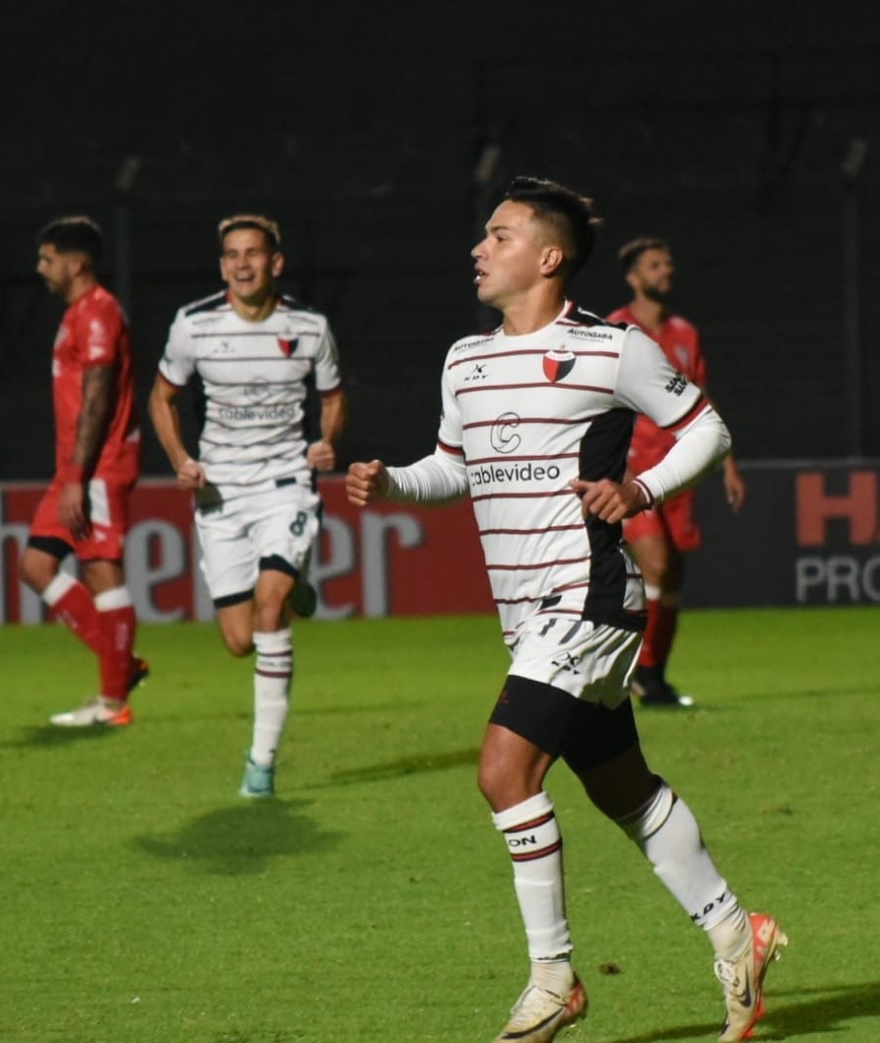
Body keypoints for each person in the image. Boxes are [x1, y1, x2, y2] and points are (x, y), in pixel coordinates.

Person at [346, 177, 784, 1043]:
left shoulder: (611, 349)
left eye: (498, 235)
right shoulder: (463, 359)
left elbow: (707, 428)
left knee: (503, 774)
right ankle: (739, 931)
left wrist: (641, 488)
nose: (479, 248)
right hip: (526, 612)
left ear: (548, 257)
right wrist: (393, 480)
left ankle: (553, 978)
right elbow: (453, 468)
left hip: (586, 596)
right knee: (621, 787)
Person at [148, 214, 346, 799]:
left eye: (253, 254)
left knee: (269, 607)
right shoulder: (194, 325)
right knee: (239, 640)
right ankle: (296, 579)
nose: (242, 264)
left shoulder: (309, 326)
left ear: (275, 262)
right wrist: (181, 458)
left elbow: (333, 397)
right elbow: (163, 398)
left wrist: (327, 441)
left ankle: (261, 764)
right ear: (221, 266)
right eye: (232, 255)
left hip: (284, 482)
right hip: (219, 493)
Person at [607, 237, 746, 708]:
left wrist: (727, 464)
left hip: (680, 471)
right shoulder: (614, 331)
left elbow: (700, 399)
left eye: (668, 263)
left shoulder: (686, 333)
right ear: (634, 278)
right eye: (655, 265)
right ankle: (627, 670)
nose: (667, 271)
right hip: (633, 474)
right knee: (657, 565)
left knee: (673, 577)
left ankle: (654, 677)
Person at [21, 216, 149, 728]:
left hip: (96, 465)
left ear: (76, 264)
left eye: (47, 258)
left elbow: (98, 400)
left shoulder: (98, 315)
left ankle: (113, 702)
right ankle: (123, 668)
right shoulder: (78, 314)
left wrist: (77, 475)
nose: (40, 268)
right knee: (36, 566)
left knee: (101, 572)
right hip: (74, 467)